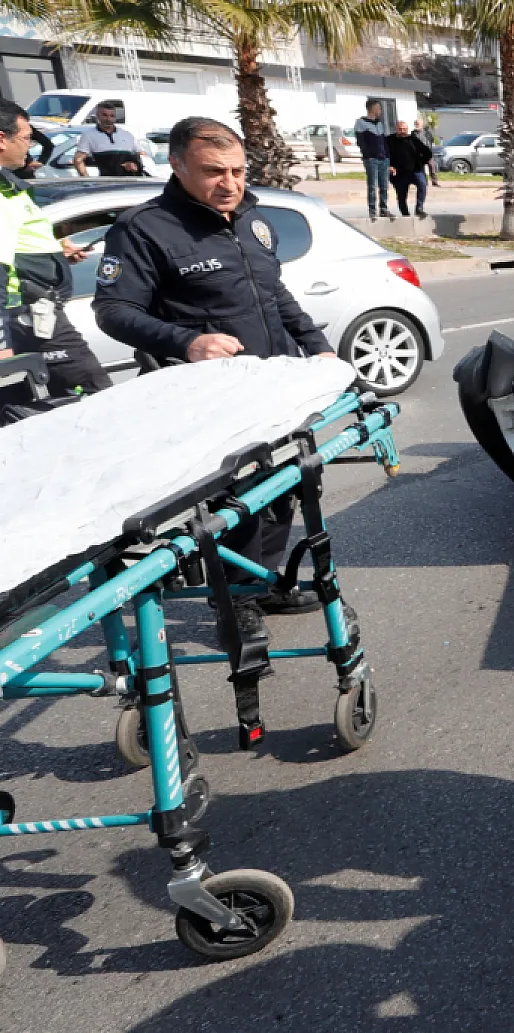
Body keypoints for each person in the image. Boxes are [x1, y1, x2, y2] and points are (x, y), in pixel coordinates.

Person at [93, 116, 335, 746]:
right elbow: (113, 310)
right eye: (213, 172)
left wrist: (317, 347)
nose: (229, 184)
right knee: (235, 508)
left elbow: (275, 295)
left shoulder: (253, 219)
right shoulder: (145, 229)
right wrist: (186, 341)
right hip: (208, 401)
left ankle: (264, 583)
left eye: (237, 171)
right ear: (178, 166)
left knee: (286, 489)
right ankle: (238, 602)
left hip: (275, 387)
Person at [0, 100, 110, 400]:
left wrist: (54, 254)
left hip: (30, 316)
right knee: (97, 397)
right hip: (28, 316)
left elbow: (15, 243)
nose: (30, 147)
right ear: (2, 139)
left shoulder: (9, 187)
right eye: (26, 138)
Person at [73, 101, 145, 177]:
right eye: (104, 115)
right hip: (106, 181)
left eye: (112, 116)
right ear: (97, 116)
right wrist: (87, 179)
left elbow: (142, 156)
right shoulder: (89, 135)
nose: (108, 119)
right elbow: (78, 159)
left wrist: (135, 166)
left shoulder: (127, 135)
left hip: (129, 181)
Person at [353, 100, 392, 220]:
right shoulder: (361, 123)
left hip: (383, 158)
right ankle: (372, 211)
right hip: (372, 159)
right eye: (378, 108)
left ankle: (384, 209)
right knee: (373, 186)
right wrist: (368, 155)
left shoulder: (379, 123)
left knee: (384, 186)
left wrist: (387, 155)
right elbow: (361, 141)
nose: (380, 110)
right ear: (371, 108)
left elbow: (384, 141)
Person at [389, 121, 432, 218]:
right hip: (400, 173)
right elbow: (384, 155)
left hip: (415, 170)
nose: (402, 131)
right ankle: (405, 215)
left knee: (422, 184)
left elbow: (428, 153)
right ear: (396, 129)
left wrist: (421, 162)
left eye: (404, 129)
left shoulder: (413, 140)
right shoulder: (390, 140)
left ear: (407, 130)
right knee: (401, 195)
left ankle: (419, 209)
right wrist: (389, 166)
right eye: (400, 129)